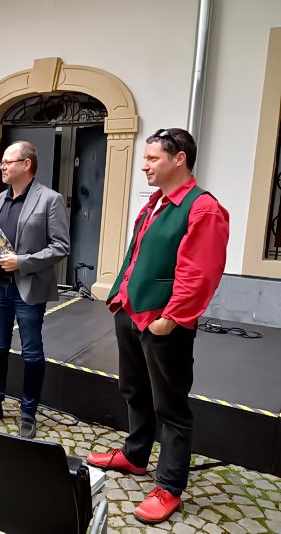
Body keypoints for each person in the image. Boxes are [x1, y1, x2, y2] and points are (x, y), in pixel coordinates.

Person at [86, 128, 229, 524]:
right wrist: (120, 295)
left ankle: (169, 485)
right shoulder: (155, 203)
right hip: (132, 312)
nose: (144, 166)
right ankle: (135, 456)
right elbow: (136, 255)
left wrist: (171, 319)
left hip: (164, 322)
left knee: (171, 406)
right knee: (133, 389)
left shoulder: (203, 208)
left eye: (152, 158)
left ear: (179, 159)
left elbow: (199, 273)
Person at [0, 141, 70, 438]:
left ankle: (28, 412)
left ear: (26, 164)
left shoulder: (50, 199)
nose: (2, 167)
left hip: (28, 288)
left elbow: (61, 247)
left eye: (7, 162)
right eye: (2, 162)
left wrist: (22, 262)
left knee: (32, 352)